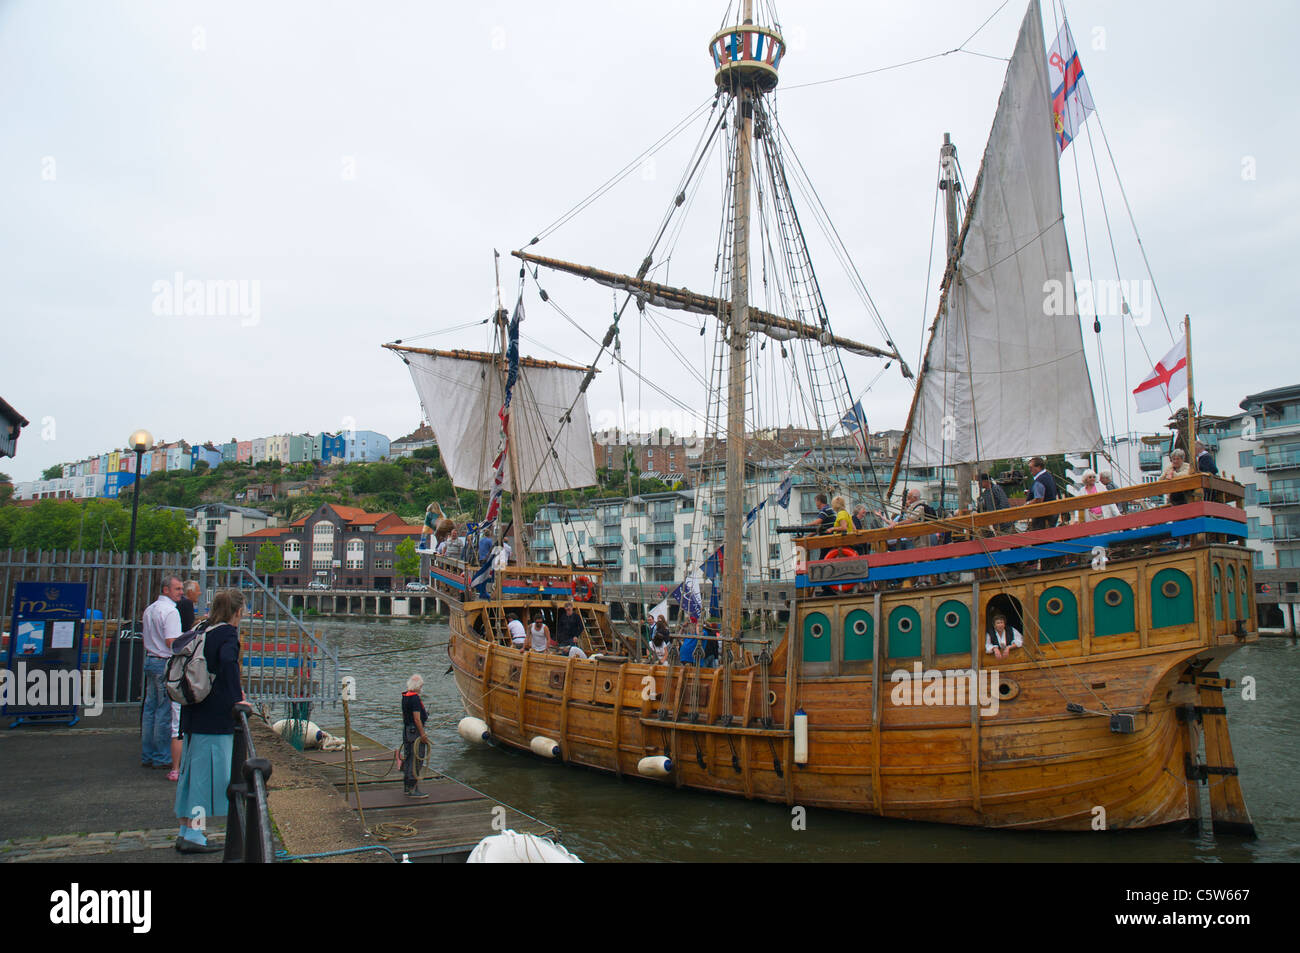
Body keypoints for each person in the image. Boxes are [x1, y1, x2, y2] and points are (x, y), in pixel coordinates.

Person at [174, 588, 246, 854]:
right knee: (205, 780)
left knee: (191, 776)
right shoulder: (227, 633)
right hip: (214, 718)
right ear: (238, 611)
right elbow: (228, 662)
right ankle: (195, 834)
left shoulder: (204, 629)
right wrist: (238, 696)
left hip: (194, 713)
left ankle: (186, 829)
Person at [141, 576, 183, 771]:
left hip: (150, 658)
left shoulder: (150, 609)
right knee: (164, 710)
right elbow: (171, 642)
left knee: (149, 709)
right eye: (177, 589)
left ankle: (147, 753)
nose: (181, 592)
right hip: (164, 661)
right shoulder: (171, 612)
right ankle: (161, 756)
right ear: (166, 590)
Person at [400, 674, 431, 798]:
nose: (421, 688)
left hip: (407, 731)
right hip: (415, 733)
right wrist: (423, 734)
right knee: (416, 760)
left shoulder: (405, 696)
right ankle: (413, 788)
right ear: (417, 686)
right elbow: (417, 719)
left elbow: (404, 715)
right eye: (421, 686)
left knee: (408, 758)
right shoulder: (415, 699)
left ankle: (407, 786)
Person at [1027, 457, 1059, 530]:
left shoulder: (1039, 481)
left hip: (1043, 516)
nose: (1029, 470)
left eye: (1031, 467)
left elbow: (1038, 500)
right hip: (1052, 512)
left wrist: (1027, 504)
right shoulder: (1049, 476)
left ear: (1038, 467)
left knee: (1042, 536)